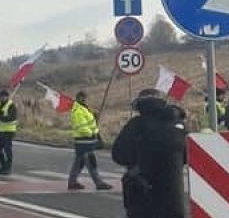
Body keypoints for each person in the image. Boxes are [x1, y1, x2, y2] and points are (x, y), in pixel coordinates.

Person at [111, 88, 187, 218]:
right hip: (174, 196)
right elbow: (187, 155)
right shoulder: (179, 124)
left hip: (143, 196)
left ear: (139, 105)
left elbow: (119, 154)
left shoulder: (137, 124)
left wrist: (138, 160)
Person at [68, 91, 112, 190]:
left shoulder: (84, 109)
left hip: (85, 140)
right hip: (84, 140)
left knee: (79, 162)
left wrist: (96, 131)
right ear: (78, 98)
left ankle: (72, 182)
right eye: (83, 97)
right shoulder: (78, 111)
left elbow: (90, 123)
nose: (84, 99)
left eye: (85, 97)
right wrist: (92, 133)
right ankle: (98, 182)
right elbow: (82, 127)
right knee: (91, 162)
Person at [0, 89, 18, 176]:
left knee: (8, 150)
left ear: (7, 97)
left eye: (4, 96)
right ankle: (3, 165)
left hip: (9, 131)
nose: (3, 98)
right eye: (1, 96)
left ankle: (8, 167)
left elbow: (10, 118)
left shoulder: (11, 106)